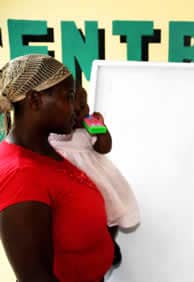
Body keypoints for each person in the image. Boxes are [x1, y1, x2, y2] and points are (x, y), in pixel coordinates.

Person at [0, 54, 114, 282]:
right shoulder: (20, 174)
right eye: (69, 97)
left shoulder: (46, 149)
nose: (75, 107)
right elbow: (36, 277)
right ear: (34, 101)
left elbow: (104, 144)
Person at [49, 86, 140, 268]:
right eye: (76, 107)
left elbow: (104, 148)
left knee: (111, 209)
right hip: (68, 181)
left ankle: (109, 241)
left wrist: (100, 128)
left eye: (84, 106)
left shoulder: (90, 123)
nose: (81, 111)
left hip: (96, 179)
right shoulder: (55, 129)